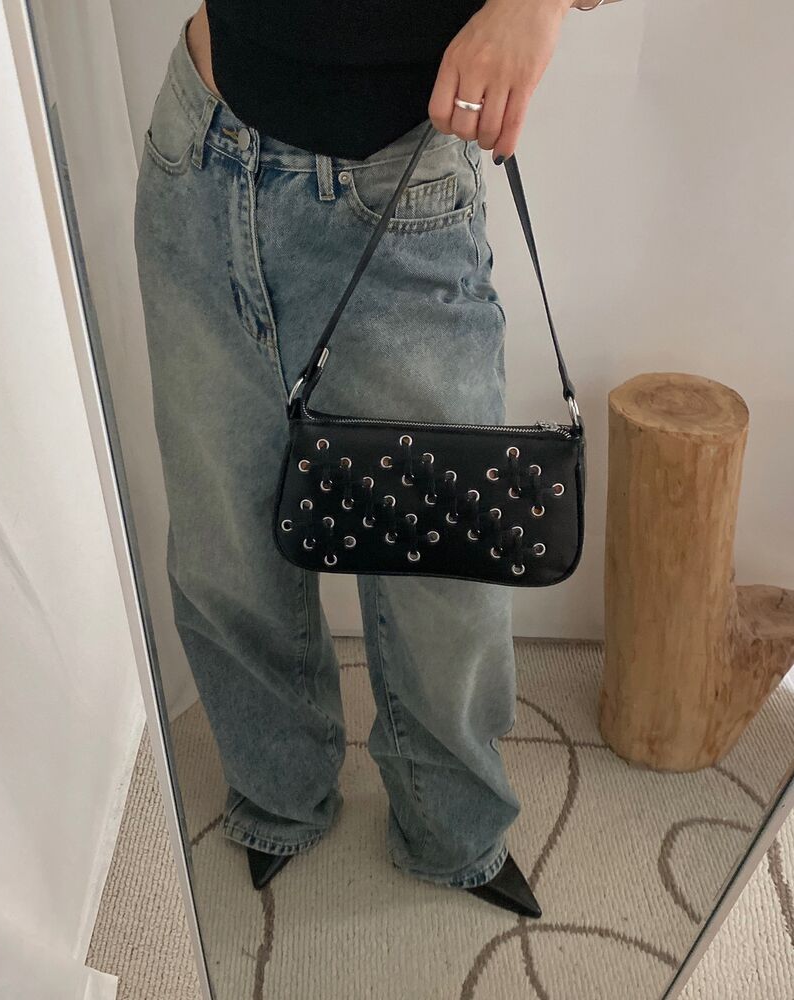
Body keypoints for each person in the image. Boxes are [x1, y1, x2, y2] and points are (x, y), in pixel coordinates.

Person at [134, 0, 592, 918]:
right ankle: (277, 794)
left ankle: (452, 824)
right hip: (202, 150)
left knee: (447, 584)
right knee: (224, 548)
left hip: (401, 177)